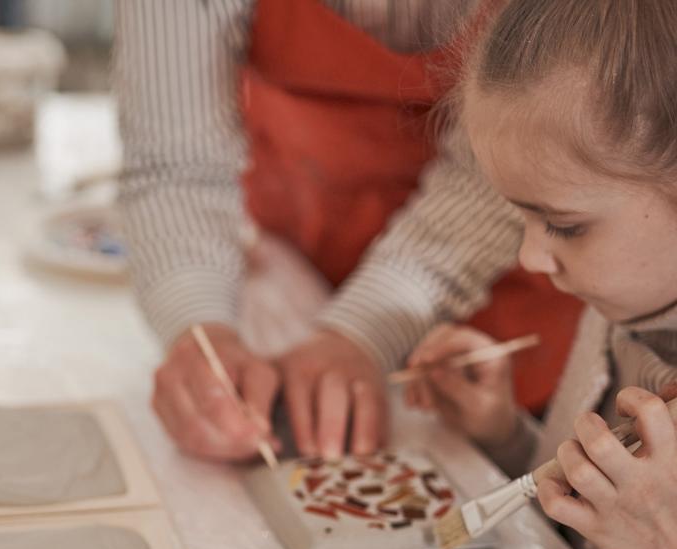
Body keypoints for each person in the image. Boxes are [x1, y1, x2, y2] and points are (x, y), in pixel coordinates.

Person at [112, 0, 582, 462]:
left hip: (512, 314)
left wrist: (362, 329)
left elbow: (500, 176)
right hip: (298, 282)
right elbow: (173, 165)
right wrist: (200, 329)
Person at [406, 0, 677, 549]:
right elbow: (577, 538)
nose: (531, 258)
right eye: (519, 217)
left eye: (564, 225)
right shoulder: (627, 297)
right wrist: (506, 437)